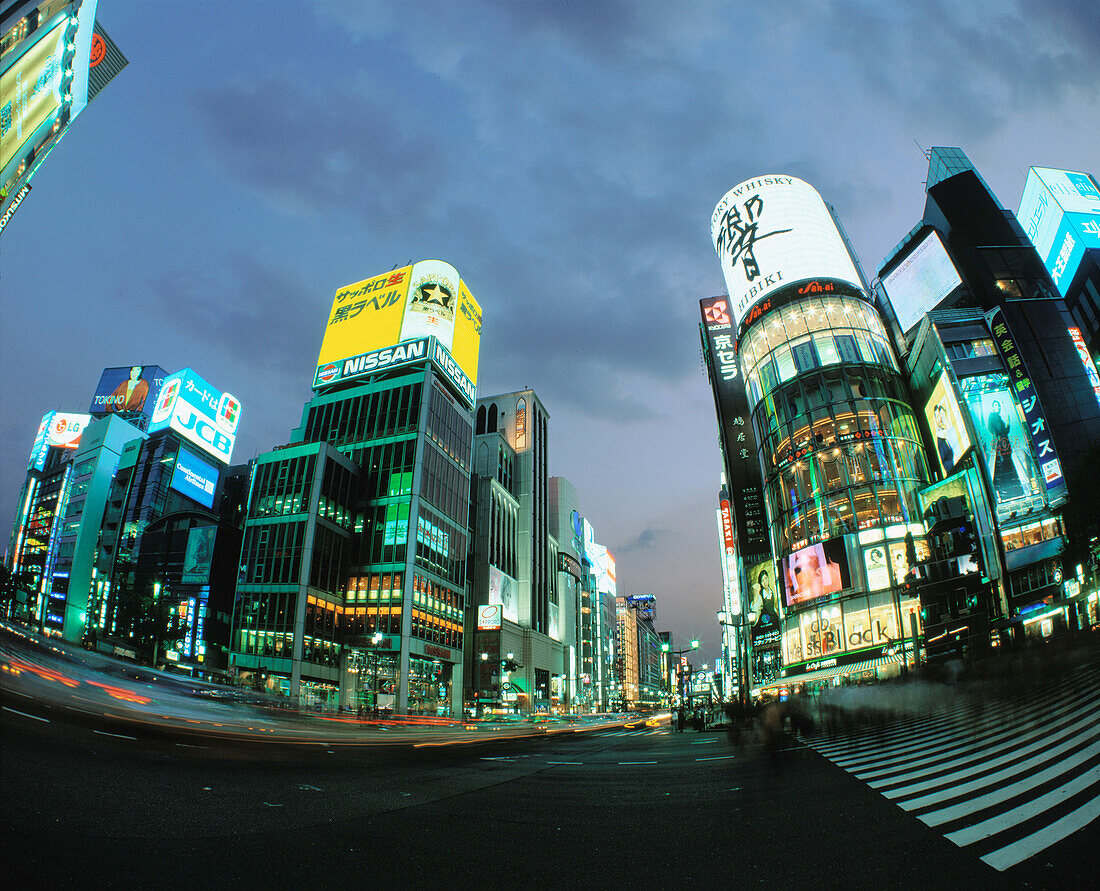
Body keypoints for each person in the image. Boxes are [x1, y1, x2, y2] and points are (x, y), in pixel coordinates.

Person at [933, 401, 959, 472]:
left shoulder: (950, 430)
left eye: (942, 415)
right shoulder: (940, 439)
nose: (941, 419)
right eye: (938, 416)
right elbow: (945, 464)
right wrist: (953, 461)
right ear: (935, 419)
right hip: (954, 471)